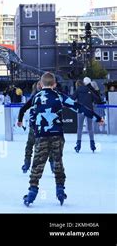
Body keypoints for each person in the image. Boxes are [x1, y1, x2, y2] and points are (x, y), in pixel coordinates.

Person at [22, 72, 104, 207]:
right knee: (58, 161)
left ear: (41, 84)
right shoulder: (59, 96)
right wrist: (97, 117)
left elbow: (32, 116)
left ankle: (32, 191)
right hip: (57, 135)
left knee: (37, 163)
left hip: (42, 135)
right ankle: (60, 189)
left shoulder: (36, 97)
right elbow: (79, 107)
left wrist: (36, 132)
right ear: (54, 84)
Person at [17, 81, 54, 173]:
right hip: (46, 126)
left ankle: (26, 164)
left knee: (30, 145)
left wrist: (20, 120)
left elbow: (23, 109)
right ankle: (53, 165)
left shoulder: (34, 97)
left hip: (35, 126)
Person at [72, 77, 100, 153]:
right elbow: (97, 99)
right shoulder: (89, 90)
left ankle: (78, 145)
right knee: (90, 128)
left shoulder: (78, 90)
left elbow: (72, 99)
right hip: (89, 110)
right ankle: (92, 145)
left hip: (81, 110)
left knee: (80, 128)